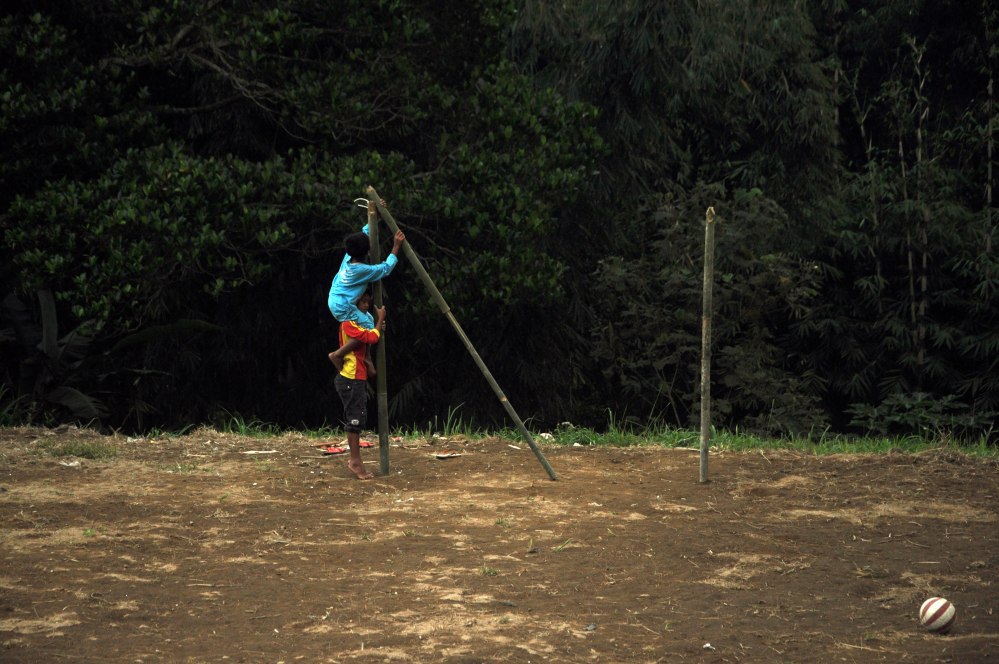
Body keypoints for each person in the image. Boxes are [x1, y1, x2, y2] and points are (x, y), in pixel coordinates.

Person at [327, 219, 405, 371]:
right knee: (369, 328)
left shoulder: (349, 258)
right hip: (342, 306)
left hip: (336, 299)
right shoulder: (360, 270)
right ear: (366, 252)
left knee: (369, 319)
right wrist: (396, 246)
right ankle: (337, 354)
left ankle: (367, 356)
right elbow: (385, 269)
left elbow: (365, 232)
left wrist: (377, 214)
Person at [334, 290, 385, 480]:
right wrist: (380, 321)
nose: (365, 306)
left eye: (367, 302)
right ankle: (355, 462)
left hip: (356, 377)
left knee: (358, 418)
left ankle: (355, 460)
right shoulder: (349, 323)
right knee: (355, 420)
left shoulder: (359, 323)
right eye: (362, 302)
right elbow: (372, 337)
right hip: (350, 378)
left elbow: (369, 342)